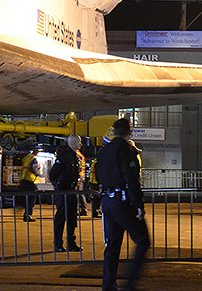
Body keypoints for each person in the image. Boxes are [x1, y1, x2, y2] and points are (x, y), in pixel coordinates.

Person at [96, 118, 150, 291]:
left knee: (112, 245)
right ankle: (130, 283)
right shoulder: (127, 151)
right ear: (129, 132)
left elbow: (98, 175)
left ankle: (108, 284)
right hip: (123, 201)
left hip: (107, 201)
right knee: (143, 241)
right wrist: (139, 205)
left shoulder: (104, 151)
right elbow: (131, 179)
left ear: (113, 131)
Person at [50, 135, 82, 252]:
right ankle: (58, 244)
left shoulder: (75, 156)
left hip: (72, 190)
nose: (81, 144)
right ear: (73, 143)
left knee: (72, 218)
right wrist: (58, 186)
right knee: (61, 218)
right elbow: (53, 173)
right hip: (63, 190)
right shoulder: (65, 155)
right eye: (79, 142)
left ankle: (71, 243)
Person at [19, 145, 41, 222]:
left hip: (24, 180)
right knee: (31, 200)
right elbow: (34, 169)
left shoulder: (27, 157)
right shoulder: (33, 159)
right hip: (31, 181)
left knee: (26, 199)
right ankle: (28, 215)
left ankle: (26, 214)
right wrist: (38, 173)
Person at [76, 147, 88, 217]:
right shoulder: (81, 155)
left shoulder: (77, 155)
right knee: (80, 193)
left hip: (79, 176)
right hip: (81, 176)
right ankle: (84, 209)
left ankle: (84, 209)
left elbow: (78, 166)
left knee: (79, 193)